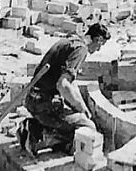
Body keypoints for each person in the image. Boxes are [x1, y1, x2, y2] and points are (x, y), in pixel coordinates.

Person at [18, 22, 110, 156]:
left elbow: (71, 84)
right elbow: (63, 85)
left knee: (75, 115)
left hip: (33, 99)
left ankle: (34, 126)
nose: (98, 50)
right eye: (100, 45)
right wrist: (82, 112)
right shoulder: (81, 50)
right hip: (43, 104)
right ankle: (38, 138)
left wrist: (82, 108)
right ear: (98, 40)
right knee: (87, 127)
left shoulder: (71, 41)